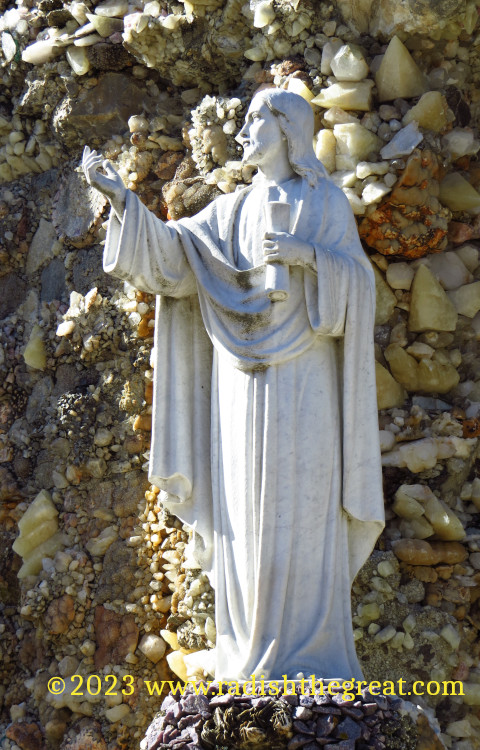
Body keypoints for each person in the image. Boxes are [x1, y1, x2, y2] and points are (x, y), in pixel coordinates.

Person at [82, 88, 384, 682]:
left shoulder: (323, 202)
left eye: (254, 121)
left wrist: (308, 256)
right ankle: (247, 651)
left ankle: (313, 655)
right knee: (243, 513)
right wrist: (123, 202)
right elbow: (174, 259)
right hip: (237, 383)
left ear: (288, 130)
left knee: (305, 505)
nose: (243, 132)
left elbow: (360, 288)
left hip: (306, 377)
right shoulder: (229, 211)